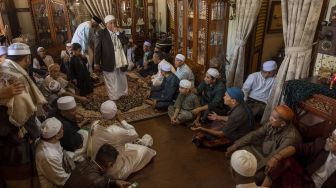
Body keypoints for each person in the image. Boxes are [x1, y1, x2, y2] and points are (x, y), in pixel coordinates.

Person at [0, 43, 47, 188]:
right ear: (27, 58)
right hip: (13, 135)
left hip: (6, 136)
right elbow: (23, 113)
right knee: (21, 175)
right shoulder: (15, 76)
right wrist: (34, 133)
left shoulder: (4, 68)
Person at [226, 104, 302, 184]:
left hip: (274, 163)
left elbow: (274, 156)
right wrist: (236, 145)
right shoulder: (272, 123)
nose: (270, 119)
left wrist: (252, 171)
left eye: (273, 118)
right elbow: (255, 134)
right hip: (263, 151)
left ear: (282, 124)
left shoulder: (291, 138)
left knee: (256, 177)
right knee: (238, 149)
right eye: (271, 116)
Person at [88, 100, 156, 179]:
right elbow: (134, 134)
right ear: (116, 113)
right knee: (145, 150)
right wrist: (122, 120)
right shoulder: (116, 131)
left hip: (95, 163)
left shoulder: (94, 123)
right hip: (112, 170)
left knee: (127, 144)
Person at [261, 128, 336, 188]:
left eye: (333, 140)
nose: (329, 140)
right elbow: (298, 148)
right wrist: (276, 158)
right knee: (285, 161)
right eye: (331, 136)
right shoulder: (321, 144)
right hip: (305, 178)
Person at [64, 144, 130, 188]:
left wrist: (115, 182)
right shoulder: (98, 182)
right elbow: (97, 181)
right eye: (113, 164)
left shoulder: (82, 163)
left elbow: (98, 180)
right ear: (109, 164)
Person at [95, 15, 128, 101]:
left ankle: (122, 93)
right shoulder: (101, 33)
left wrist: (118, 33)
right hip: (108, 60)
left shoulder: (120, 32)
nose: (113, 24)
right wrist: (96, 62)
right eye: (111, 23)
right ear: (106, 24)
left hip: (120, 60)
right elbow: (97, 49)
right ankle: (114, 96)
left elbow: (126, 41)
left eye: (114, 22)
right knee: (111, 79)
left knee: (121, 77)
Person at [36, 117, 72, 188]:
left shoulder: (50, 140)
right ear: (57, 135)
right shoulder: (49, 157)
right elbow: (63, 181)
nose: (63, 130)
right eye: (61, 129)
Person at [52, 96, 89, 161]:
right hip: (65, 148)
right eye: (73, 111)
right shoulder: (66, 127)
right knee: (87, 135)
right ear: (63, 113)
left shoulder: (55, 110)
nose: (76, 112)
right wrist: (82, 123)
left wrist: (73, 117)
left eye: (75, 109)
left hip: (63, 140)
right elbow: (78, 145)